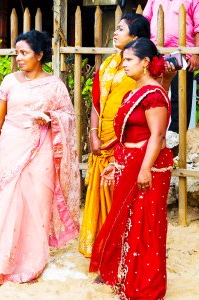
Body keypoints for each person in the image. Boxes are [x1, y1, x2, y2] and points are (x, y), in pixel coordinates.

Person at [0, 30, 80, 294]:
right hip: (12, 147)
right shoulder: (9, 82)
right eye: (17, 53)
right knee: (5, 205)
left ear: (39, 55)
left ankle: (31, 263)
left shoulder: (54, 85)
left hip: (41, 152)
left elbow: (69, 118)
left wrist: (51, 118)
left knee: (36, 205)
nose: (19, 58)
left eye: (24, 53)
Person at [89, 37, 173, 299]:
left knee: (145, 223)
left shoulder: (154, 96)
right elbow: (127, 134)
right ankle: (124, 276)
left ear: (146, 62)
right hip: (129, 163)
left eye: (129, 60)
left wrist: (145, 168)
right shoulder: (132, 92)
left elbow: (157, 136)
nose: (123, 64)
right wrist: (117, 162)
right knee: (125, 219)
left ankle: (145, 285)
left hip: (147, 166)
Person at [78, 13, 151, 258]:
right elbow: (97, 103)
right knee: (100, 192)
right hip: (102, 136)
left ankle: (120, 251)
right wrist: (93, 133)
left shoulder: (143, 69)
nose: (115, 32)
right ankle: (101, 249)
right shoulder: (107, 65)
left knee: (121, 196)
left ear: (136, 37)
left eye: (121, 29)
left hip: (126, 140)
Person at [143, 0, 199, 133]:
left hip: (183, 54)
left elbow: (198, 27)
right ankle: (152, 133)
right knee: (152, 93)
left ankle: (176, 137)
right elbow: (145, 21)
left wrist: (196, 54)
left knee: (180, 97)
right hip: (156, 52)